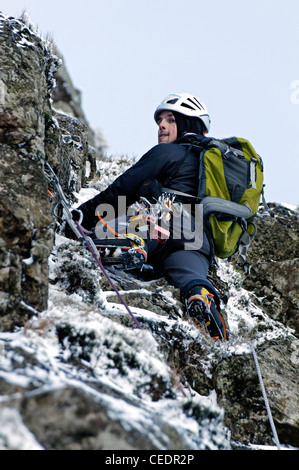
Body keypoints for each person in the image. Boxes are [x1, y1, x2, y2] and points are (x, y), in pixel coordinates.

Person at [68, 93, 227, 340]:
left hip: (165, 218)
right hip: (197, 238)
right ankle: (201, 298)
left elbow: (120, 190)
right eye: (160, 120)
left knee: (144, 207)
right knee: (189, 277)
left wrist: (79, 217)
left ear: (188, 124)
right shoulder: (210, 167)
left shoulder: (169, 153)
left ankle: (132, 243)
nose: (161, 125)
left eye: (171, 119)